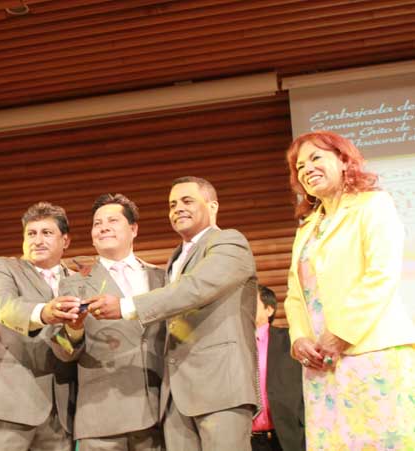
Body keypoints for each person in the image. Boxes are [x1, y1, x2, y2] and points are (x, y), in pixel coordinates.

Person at [88, 176, 259, 451]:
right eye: (172, 204)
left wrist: (125, 306)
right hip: (175, 397)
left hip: (219, 386)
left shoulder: (229, 242)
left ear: (213, 206)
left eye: (187, 201)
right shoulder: (175, 259)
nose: (178, 208)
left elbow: (195, 288)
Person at [284, 130, 415, 450]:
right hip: (321, 362)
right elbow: (295, 293)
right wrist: (299, 338)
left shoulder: (373, 204)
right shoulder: (307, 226)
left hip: (370, 352)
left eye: (315, 158)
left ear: (344, 161)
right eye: (299, 166)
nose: (306, 169)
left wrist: (341, 333)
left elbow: (381, 273)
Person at [52, 193, 165, 451]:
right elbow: (60, 348)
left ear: (134, 229)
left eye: (113, 221)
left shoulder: (162, 278)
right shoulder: (73, 284)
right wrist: (73, 330)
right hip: (102, 417)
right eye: (97, 223)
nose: (103, 227)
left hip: (160, 416)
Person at [0, 202, 80, 451]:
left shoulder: (79, 282)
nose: (37, 240)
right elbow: (2, 305)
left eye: (46, 233)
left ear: (65, 240)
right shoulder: (2, 268)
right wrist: (44, 313)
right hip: (7, 405)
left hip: (60, 414)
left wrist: (75, 333)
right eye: (31, 233)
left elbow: (72, 341)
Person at [252, 285, 304, 451]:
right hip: (245, 439)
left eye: (251, 301)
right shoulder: (233, 346)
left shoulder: (290, 341)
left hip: (287, 436)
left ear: (269, 309)